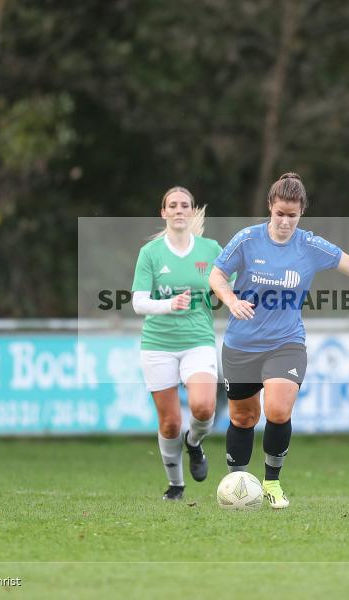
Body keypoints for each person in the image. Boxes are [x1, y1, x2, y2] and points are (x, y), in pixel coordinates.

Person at [208, 172, 349, 509]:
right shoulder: (247, 240)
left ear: (302, 213)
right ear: (270, 208)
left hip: (286, 342)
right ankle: (236, 485)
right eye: (280, 213)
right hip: (242, 343)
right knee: (243, 418)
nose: (285, 222)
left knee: (277, 409)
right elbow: (217, 274)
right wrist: (231, 300)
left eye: (292, 216)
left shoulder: (309, 245)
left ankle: (272, 484)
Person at [131, 186, 224, 501]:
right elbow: (139, 302)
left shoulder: (210, 249)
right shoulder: (151, 253)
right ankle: (176, 485)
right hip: (158, 343)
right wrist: (168, 305)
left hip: (198, 340)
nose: (179, 209)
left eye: (185, 205)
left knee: (203, 407)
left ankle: (195, 443)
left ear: (191, 210)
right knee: (170, 423)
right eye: (173, 205)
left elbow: (226, 287)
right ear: (164, 212)